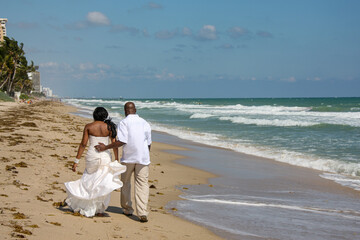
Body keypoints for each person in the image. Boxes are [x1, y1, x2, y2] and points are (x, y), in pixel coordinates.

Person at [64, 107, 126, 217]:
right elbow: (114, 144)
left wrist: (76, 161)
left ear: (94, 115)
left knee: (89, 179)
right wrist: (116, 159)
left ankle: (87, 205)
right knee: (102, 182)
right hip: (105, 156)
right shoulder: (110, 127)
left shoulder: (89, 126)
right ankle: (99, 209)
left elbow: (83, 144)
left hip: (92, 156)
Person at [95, 102, 151, 223]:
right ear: (135, 110)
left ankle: (127, 209)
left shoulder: (124, 123)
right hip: (143, 158)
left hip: (128, 159)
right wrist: (146, 156)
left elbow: (122, 141)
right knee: (142, 185)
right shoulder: (144, 122)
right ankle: (142, 212)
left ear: (125, 111)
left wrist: (106, 147)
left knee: (125, 183)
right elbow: (148, 143)